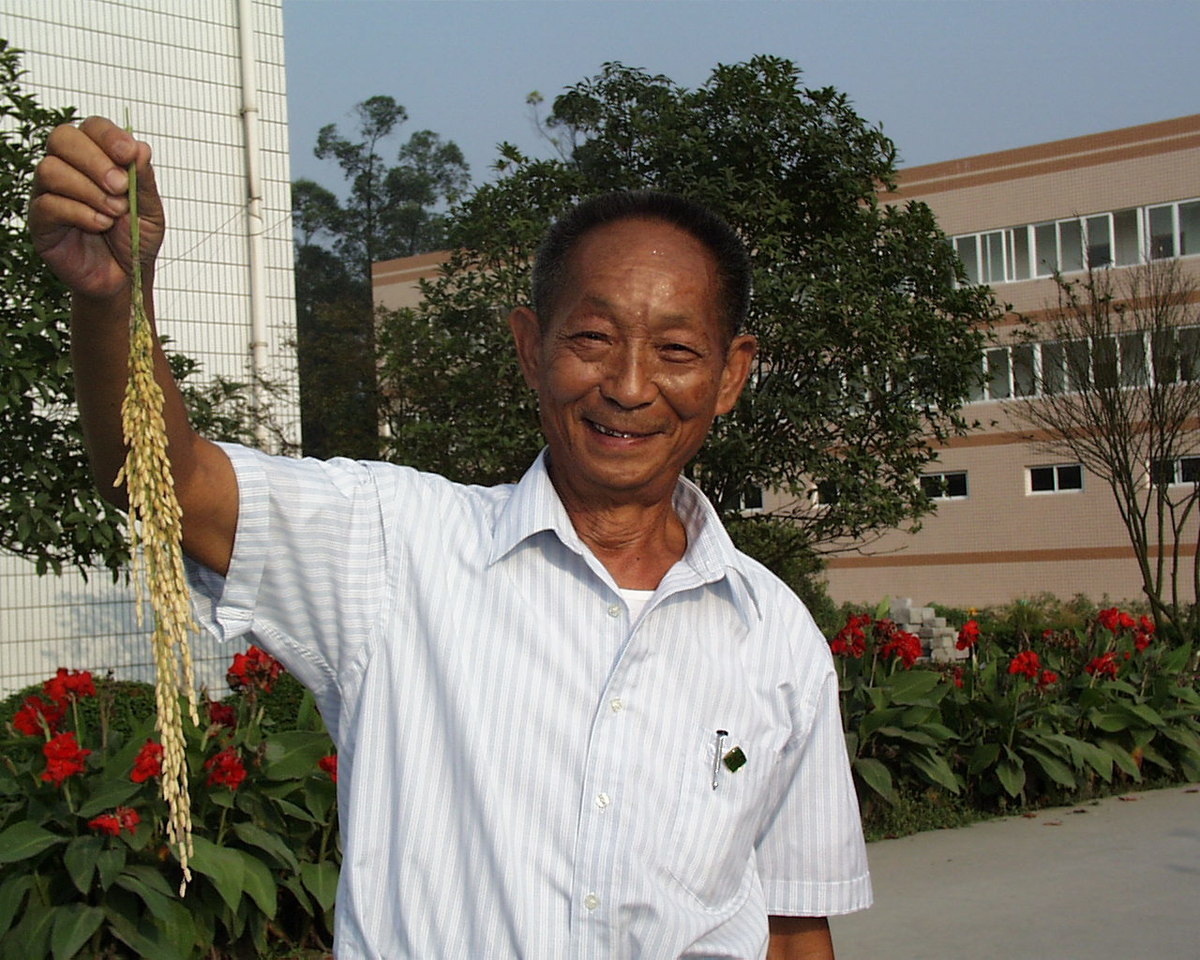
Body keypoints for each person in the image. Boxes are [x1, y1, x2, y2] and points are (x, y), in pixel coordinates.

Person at [30, 116, 871, 959]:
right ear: (529, 347)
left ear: (729, 375)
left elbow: (794, 932)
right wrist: (114, 299)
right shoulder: (398, 548)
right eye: (592, 338)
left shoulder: (775, 636)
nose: (628, 385)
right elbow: (164, 485)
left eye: (678, 349)